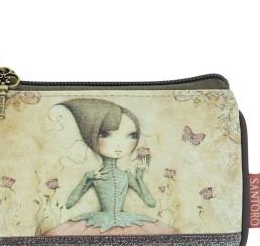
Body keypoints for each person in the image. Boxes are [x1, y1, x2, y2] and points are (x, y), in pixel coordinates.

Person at [43, 98, 178, 236]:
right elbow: (70, 204)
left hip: (125, 221)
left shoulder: (126, 175)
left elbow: (150, 203)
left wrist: (139, 177)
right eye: (105, 134)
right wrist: (86, 178)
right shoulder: (93, 175)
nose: (119, 145)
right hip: (98, 223)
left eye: (132, 135)